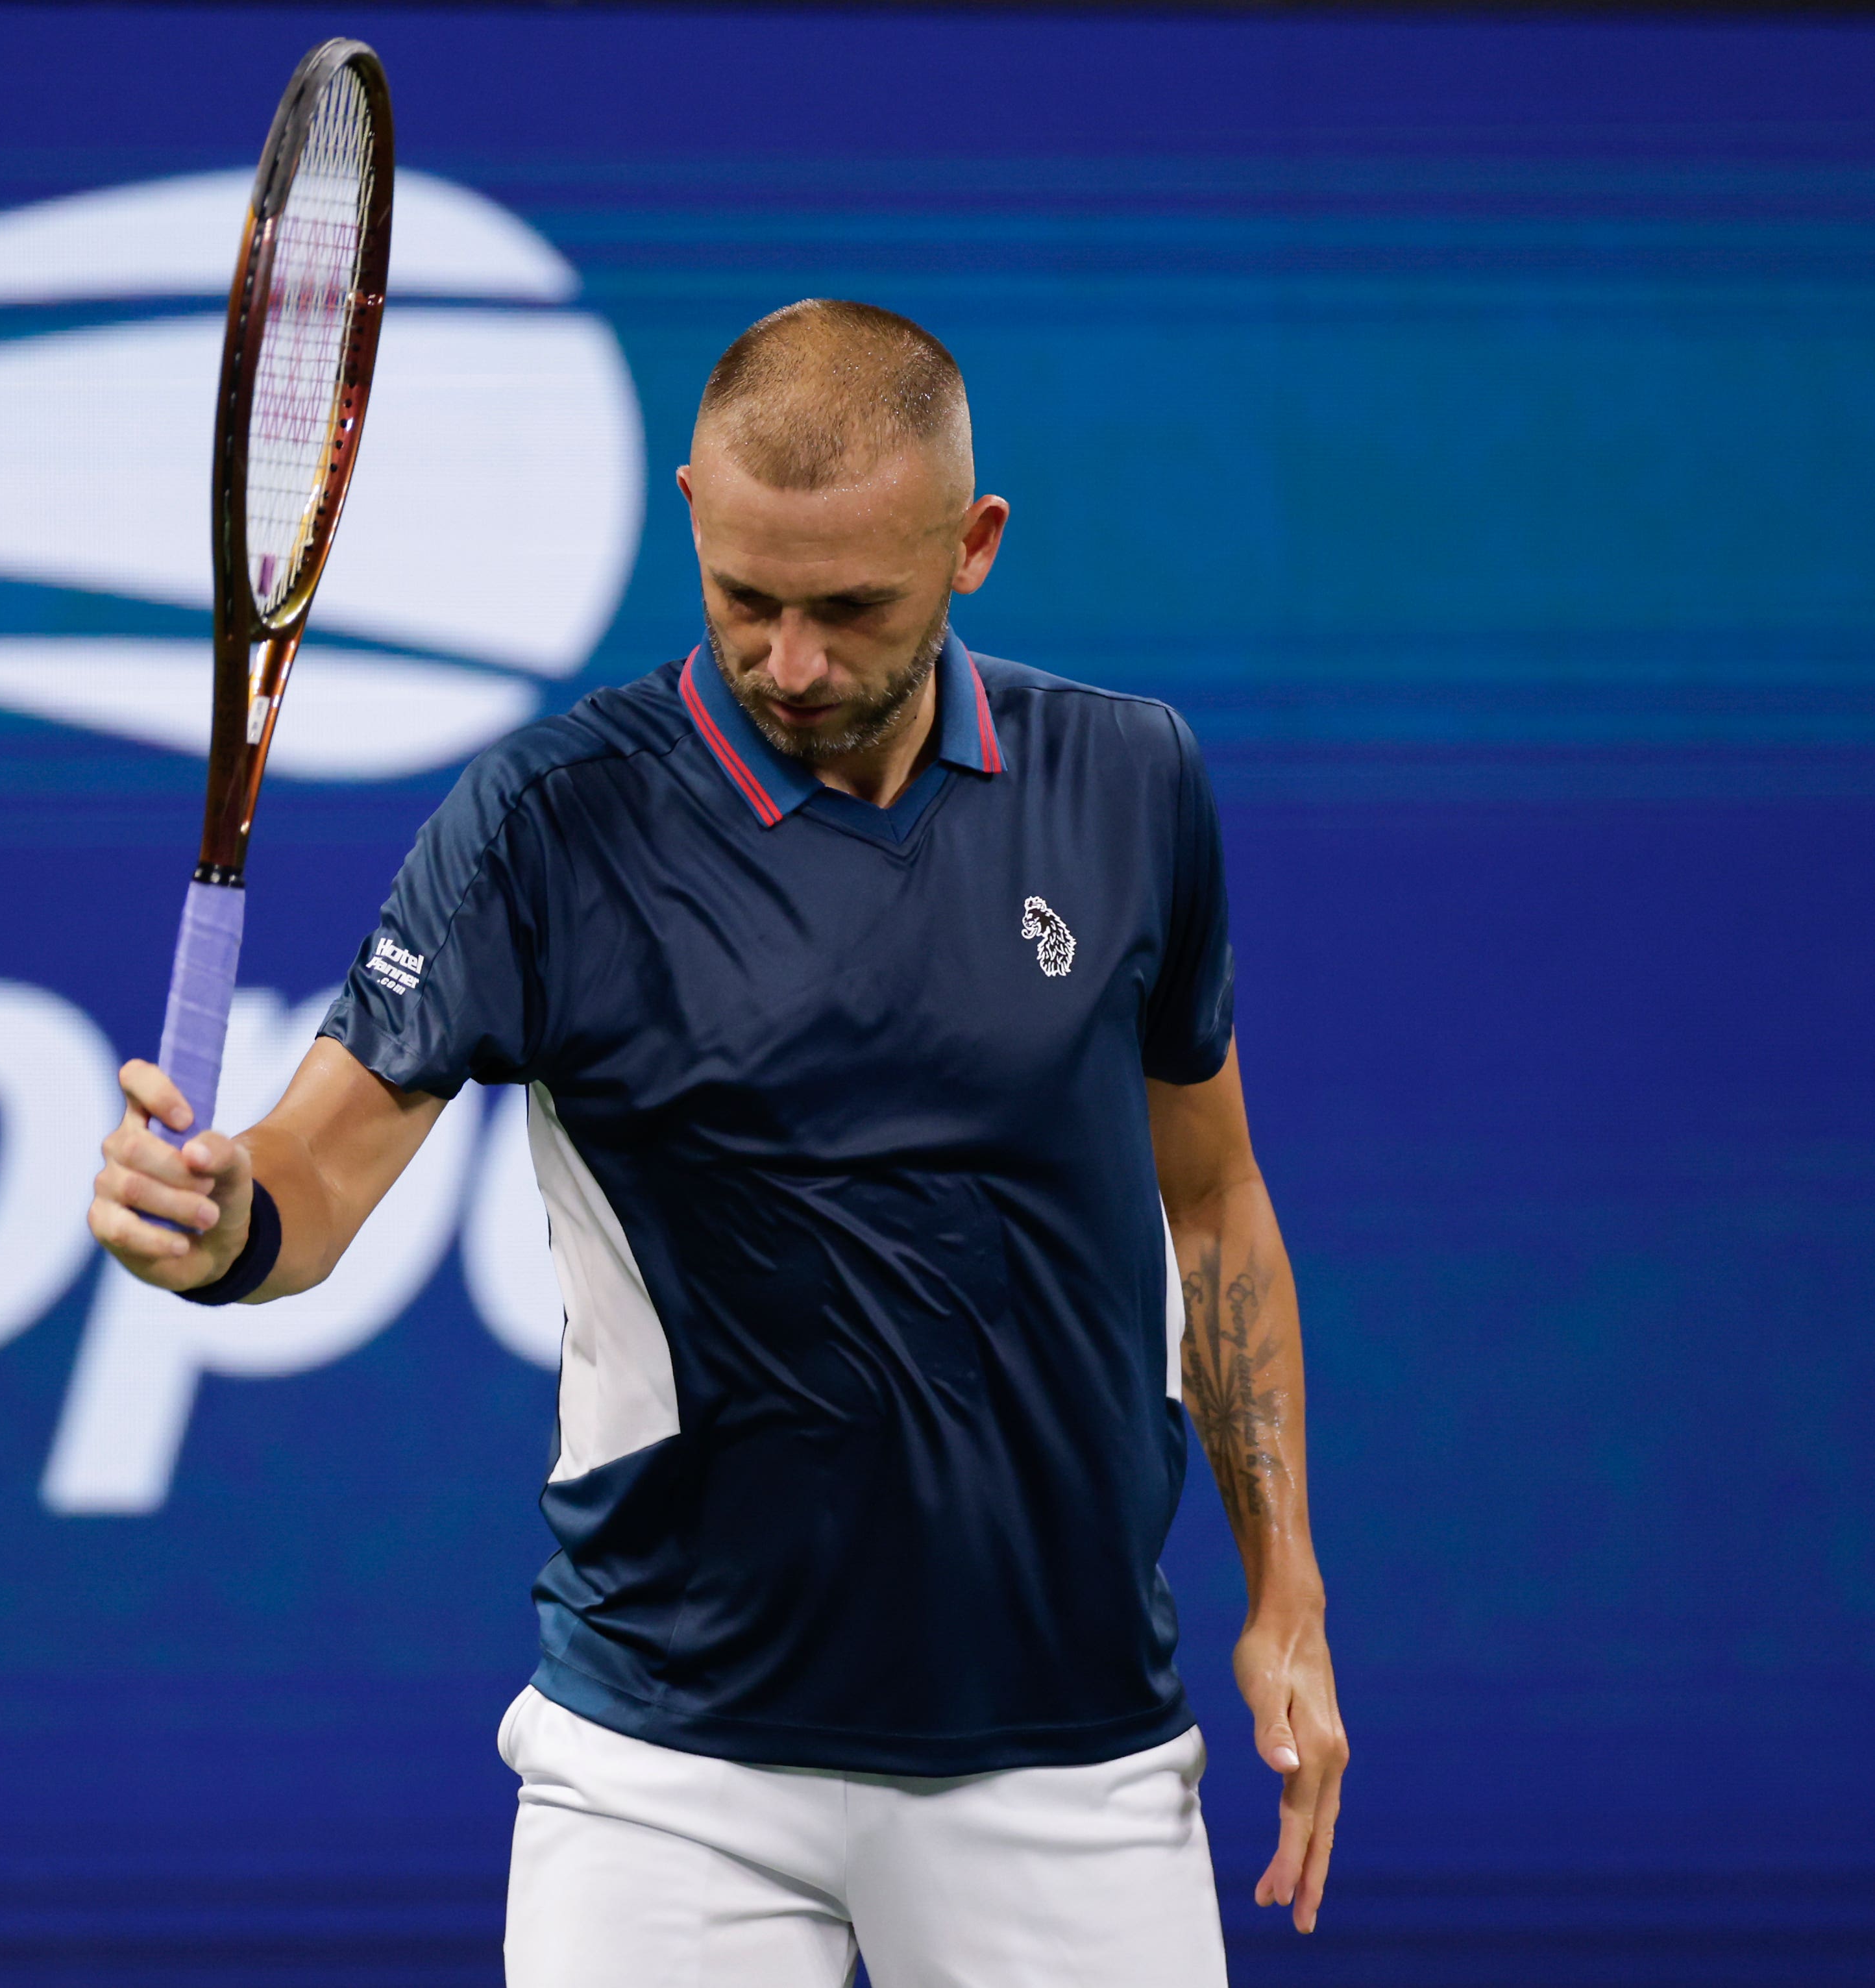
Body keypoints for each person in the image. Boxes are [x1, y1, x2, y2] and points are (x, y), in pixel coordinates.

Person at [86, 299, 1343, 1987]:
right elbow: (312, 1173)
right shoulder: (546, 824)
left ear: (971, 547)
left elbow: (1210, 1201)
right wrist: (219, 1217)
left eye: (849, 609)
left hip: (1065, 1747)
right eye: (745, 600)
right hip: (666, 1771)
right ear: (687, 507)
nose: (792, 663)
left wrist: (1287, 1595)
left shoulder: (1127, 785)